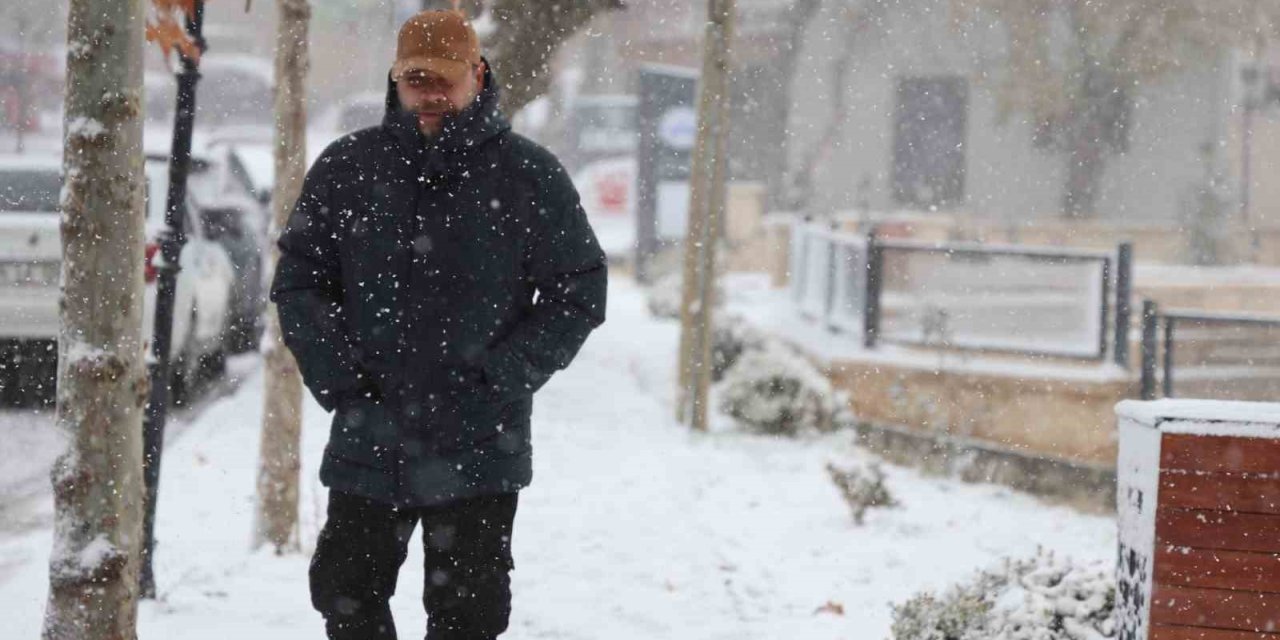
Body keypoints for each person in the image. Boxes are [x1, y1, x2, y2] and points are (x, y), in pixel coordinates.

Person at [270, 10, 607, 639]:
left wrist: (502, 376)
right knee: (344, 594)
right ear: (395, 79)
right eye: (415, 80)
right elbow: (299, 282)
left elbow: (579, 290)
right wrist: (343, 382)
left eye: (445, 81)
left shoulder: (528, 175)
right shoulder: (348, 168)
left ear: (478, 75)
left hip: (480, 442)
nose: (430, 95)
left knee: (469, 616)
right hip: (370, 434)